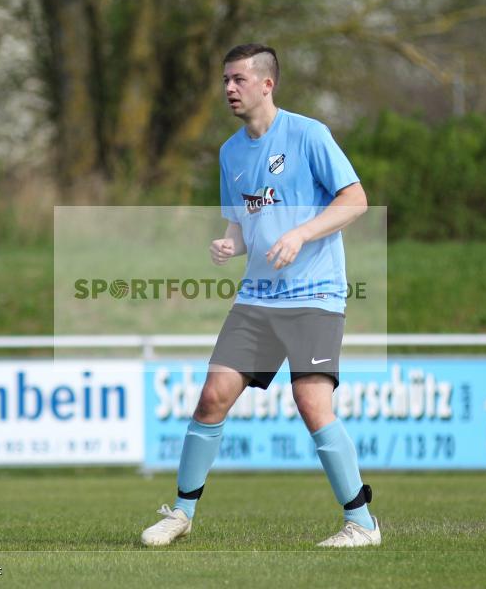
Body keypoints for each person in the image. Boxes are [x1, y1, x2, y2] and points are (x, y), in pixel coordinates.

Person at [141, 43, 379, 548]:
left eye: (239, 79)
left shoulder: (309, 134)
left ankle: (362, 524)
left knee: (312, 402)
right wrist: (232, 241)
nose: (229, 88)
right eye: (225, 80)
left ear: (267, 84)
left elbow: (355, 200)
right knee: (212, 398)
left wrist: (301, 233)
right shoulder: (231, 152)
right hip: (258, 297)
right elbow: (245, 221)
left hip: (315, 293)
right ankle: (180, 514)